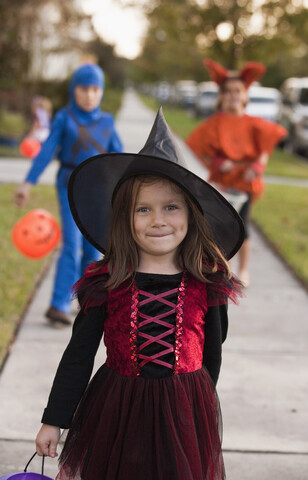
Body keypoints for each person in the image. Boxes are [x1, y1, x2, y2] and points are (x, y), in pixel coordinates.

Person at [35, 108, 244, 480]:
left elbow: (213, 351)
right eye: (143, 209)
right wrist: (54, 420)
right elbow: (78, 355)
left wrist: (197, 407)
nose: (158, 220)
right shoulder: (108, 280)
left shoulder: (206, 283)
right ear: (124, 219)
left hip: (183, 415)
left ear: (191, 215)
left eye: (171, 207)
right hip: (116, 412)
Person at [14, 63, 123, 326]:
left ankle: (87, 303)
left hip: (97, 190)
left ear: (101, 92)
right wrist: (27, 183)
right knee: (72, 245)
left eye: (95, 89)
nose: (89, 95)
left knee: (92, 248)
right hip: (69, 184)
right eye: (84, 88)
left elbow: (119, 159)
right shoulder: (65, 117)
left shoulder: (107, 121)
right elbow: (47, 151)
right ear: (75, 90)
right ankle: (58, 304)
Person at [186, 59, 287, 287]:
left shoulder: (254, 124)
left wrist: (258, 167)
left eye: (237, 91)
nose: (233, 96)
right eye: (228, 92)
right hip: (223, 181)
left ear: (245, 94)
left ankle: (243, 268)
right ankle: (221, 266)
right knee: (219, 224)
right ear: (221, 96)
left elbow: (265, 148)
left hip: (245, 182)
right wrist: (218, 162)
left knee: (242, 224)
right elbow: (202, 147)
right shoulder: (214, 124)